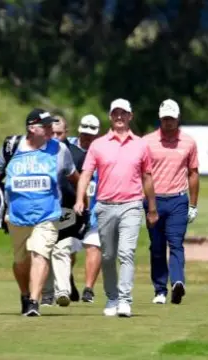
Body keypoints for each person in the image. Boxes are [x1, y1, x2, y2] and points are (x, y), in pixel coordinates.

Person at [0, 108, 79, 316]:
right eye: (46, 125)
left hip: (48, 214)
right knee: (20, 261)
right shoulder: (11, 146)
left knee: (40, 253)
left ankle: (34, 301)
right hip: (17, 216)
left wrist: (82, 199)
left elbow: (74, 176)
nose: (51, 129)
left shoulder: (60, 150)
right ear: (32, 128)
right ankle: (24, 293)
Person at [74, 98, 158, 317]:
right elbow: (85, 174)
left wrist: (152, 207)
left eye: (124, 113)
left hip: (131, 204)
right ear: (110, 117)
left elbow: (147, 177)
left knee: (126, 252)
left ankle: (125, 300)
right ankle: (111, 298)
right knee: (108, 256)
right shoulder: (98, 144)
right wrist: (80, 198)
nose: (119, 117)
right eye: (115, 113)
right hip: (104, 206)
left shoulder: (141, 144)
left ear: (130, 116)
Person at [143, 99, 199, 305]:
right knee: (157, 247)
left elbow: (193, 174)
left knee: (176, 244)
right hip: (153, 200)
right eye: (165, 119)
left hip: (178, 200)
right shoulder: (147, 142)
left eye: (172, 119)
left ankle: (177, 282)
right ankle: (159, 290)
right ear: (160, 118)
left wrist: (192, 205)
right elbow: (142, 173)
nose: (168, 123)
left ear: (178, 119)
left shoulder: (188, 142)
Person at [41, 116, 86, 307]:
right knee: (45, 250)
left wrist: (83, 203)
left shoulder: (75, 153)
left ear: (66, 132)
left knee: (62, 249)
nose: (56, 137)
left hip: (68, 208)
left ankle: (63, 291)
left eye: (60, 133)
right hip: (44, 208)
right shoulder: (39, 151)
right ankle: (47, 294)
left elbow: (80, 182)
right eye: (53, 133)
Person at [69, 114, 102, 303]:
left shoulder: (102, 150)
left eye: (91, 135)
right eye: (84, 134)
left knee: (94, 246)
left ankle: (88, 288)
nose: (87, 138)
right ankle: (68, 280)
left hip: (96, 208)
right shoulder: (69, 147)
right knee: (68, 250)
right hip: (71, 209)